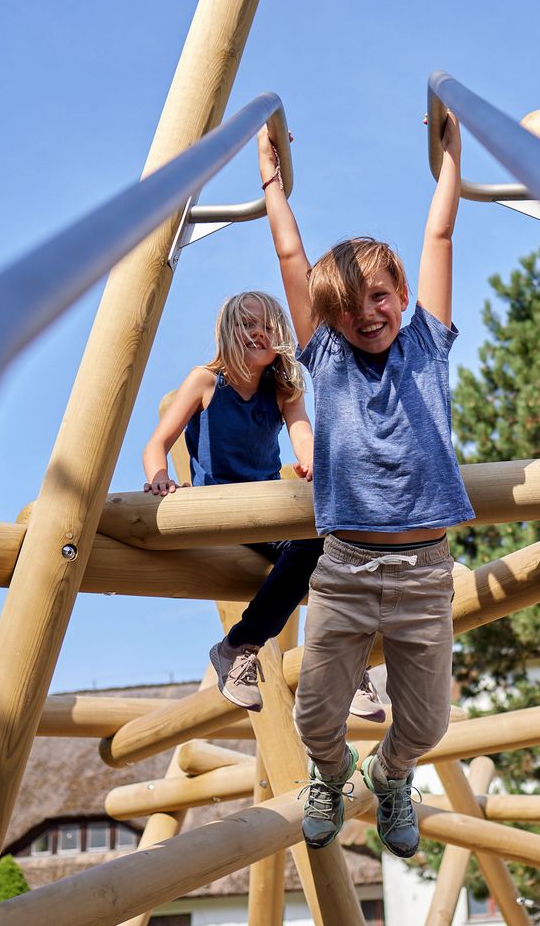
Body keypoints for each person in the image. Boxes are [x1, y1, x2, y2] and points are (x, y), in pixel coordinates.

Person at [259, 112, 471, 858]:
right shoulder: (328, 361)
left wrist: (450, 165)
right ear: (329, 322)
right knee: (315, 716)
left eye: (378, 297)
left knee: (429, 723)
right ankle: (332, 771)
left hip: (423, 573)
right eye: (347, 309)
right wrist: (271, 184)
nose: (366, 314)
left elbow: (439, 238)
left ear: (402, 294)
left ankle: (393, 774)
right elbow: (291, 253)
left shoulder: (427, 346)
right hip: (344, 570)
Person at [142, 291, 385, 720]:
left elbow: (303, 434)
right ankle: (241, 646)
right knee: (315, 544)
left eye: (268, 326)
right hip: (221, 509)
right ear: (228, 333)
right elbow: (157, 443)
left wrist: (311, 461)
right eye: (247, 325)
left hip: (266, 510)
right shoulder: (205, 381)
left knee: (342, 550)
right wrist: (159, 477)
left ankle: (341, 665)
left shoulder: (284, 389)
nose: (258, 333)